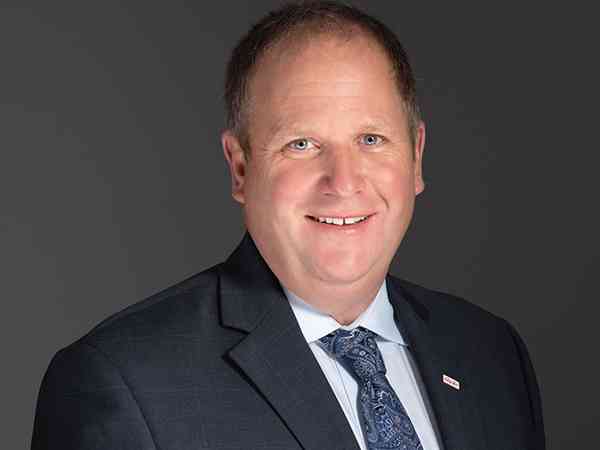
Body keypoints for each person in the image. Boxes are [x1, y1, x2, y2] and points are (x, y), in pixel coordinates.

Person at [31, 2, 545, 449]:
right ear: (240, 168)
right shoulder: (125, 383)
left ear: (416, 158)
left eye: (370, 139)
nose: (343, 181)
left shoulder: (490, 355)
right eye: (301, 144)